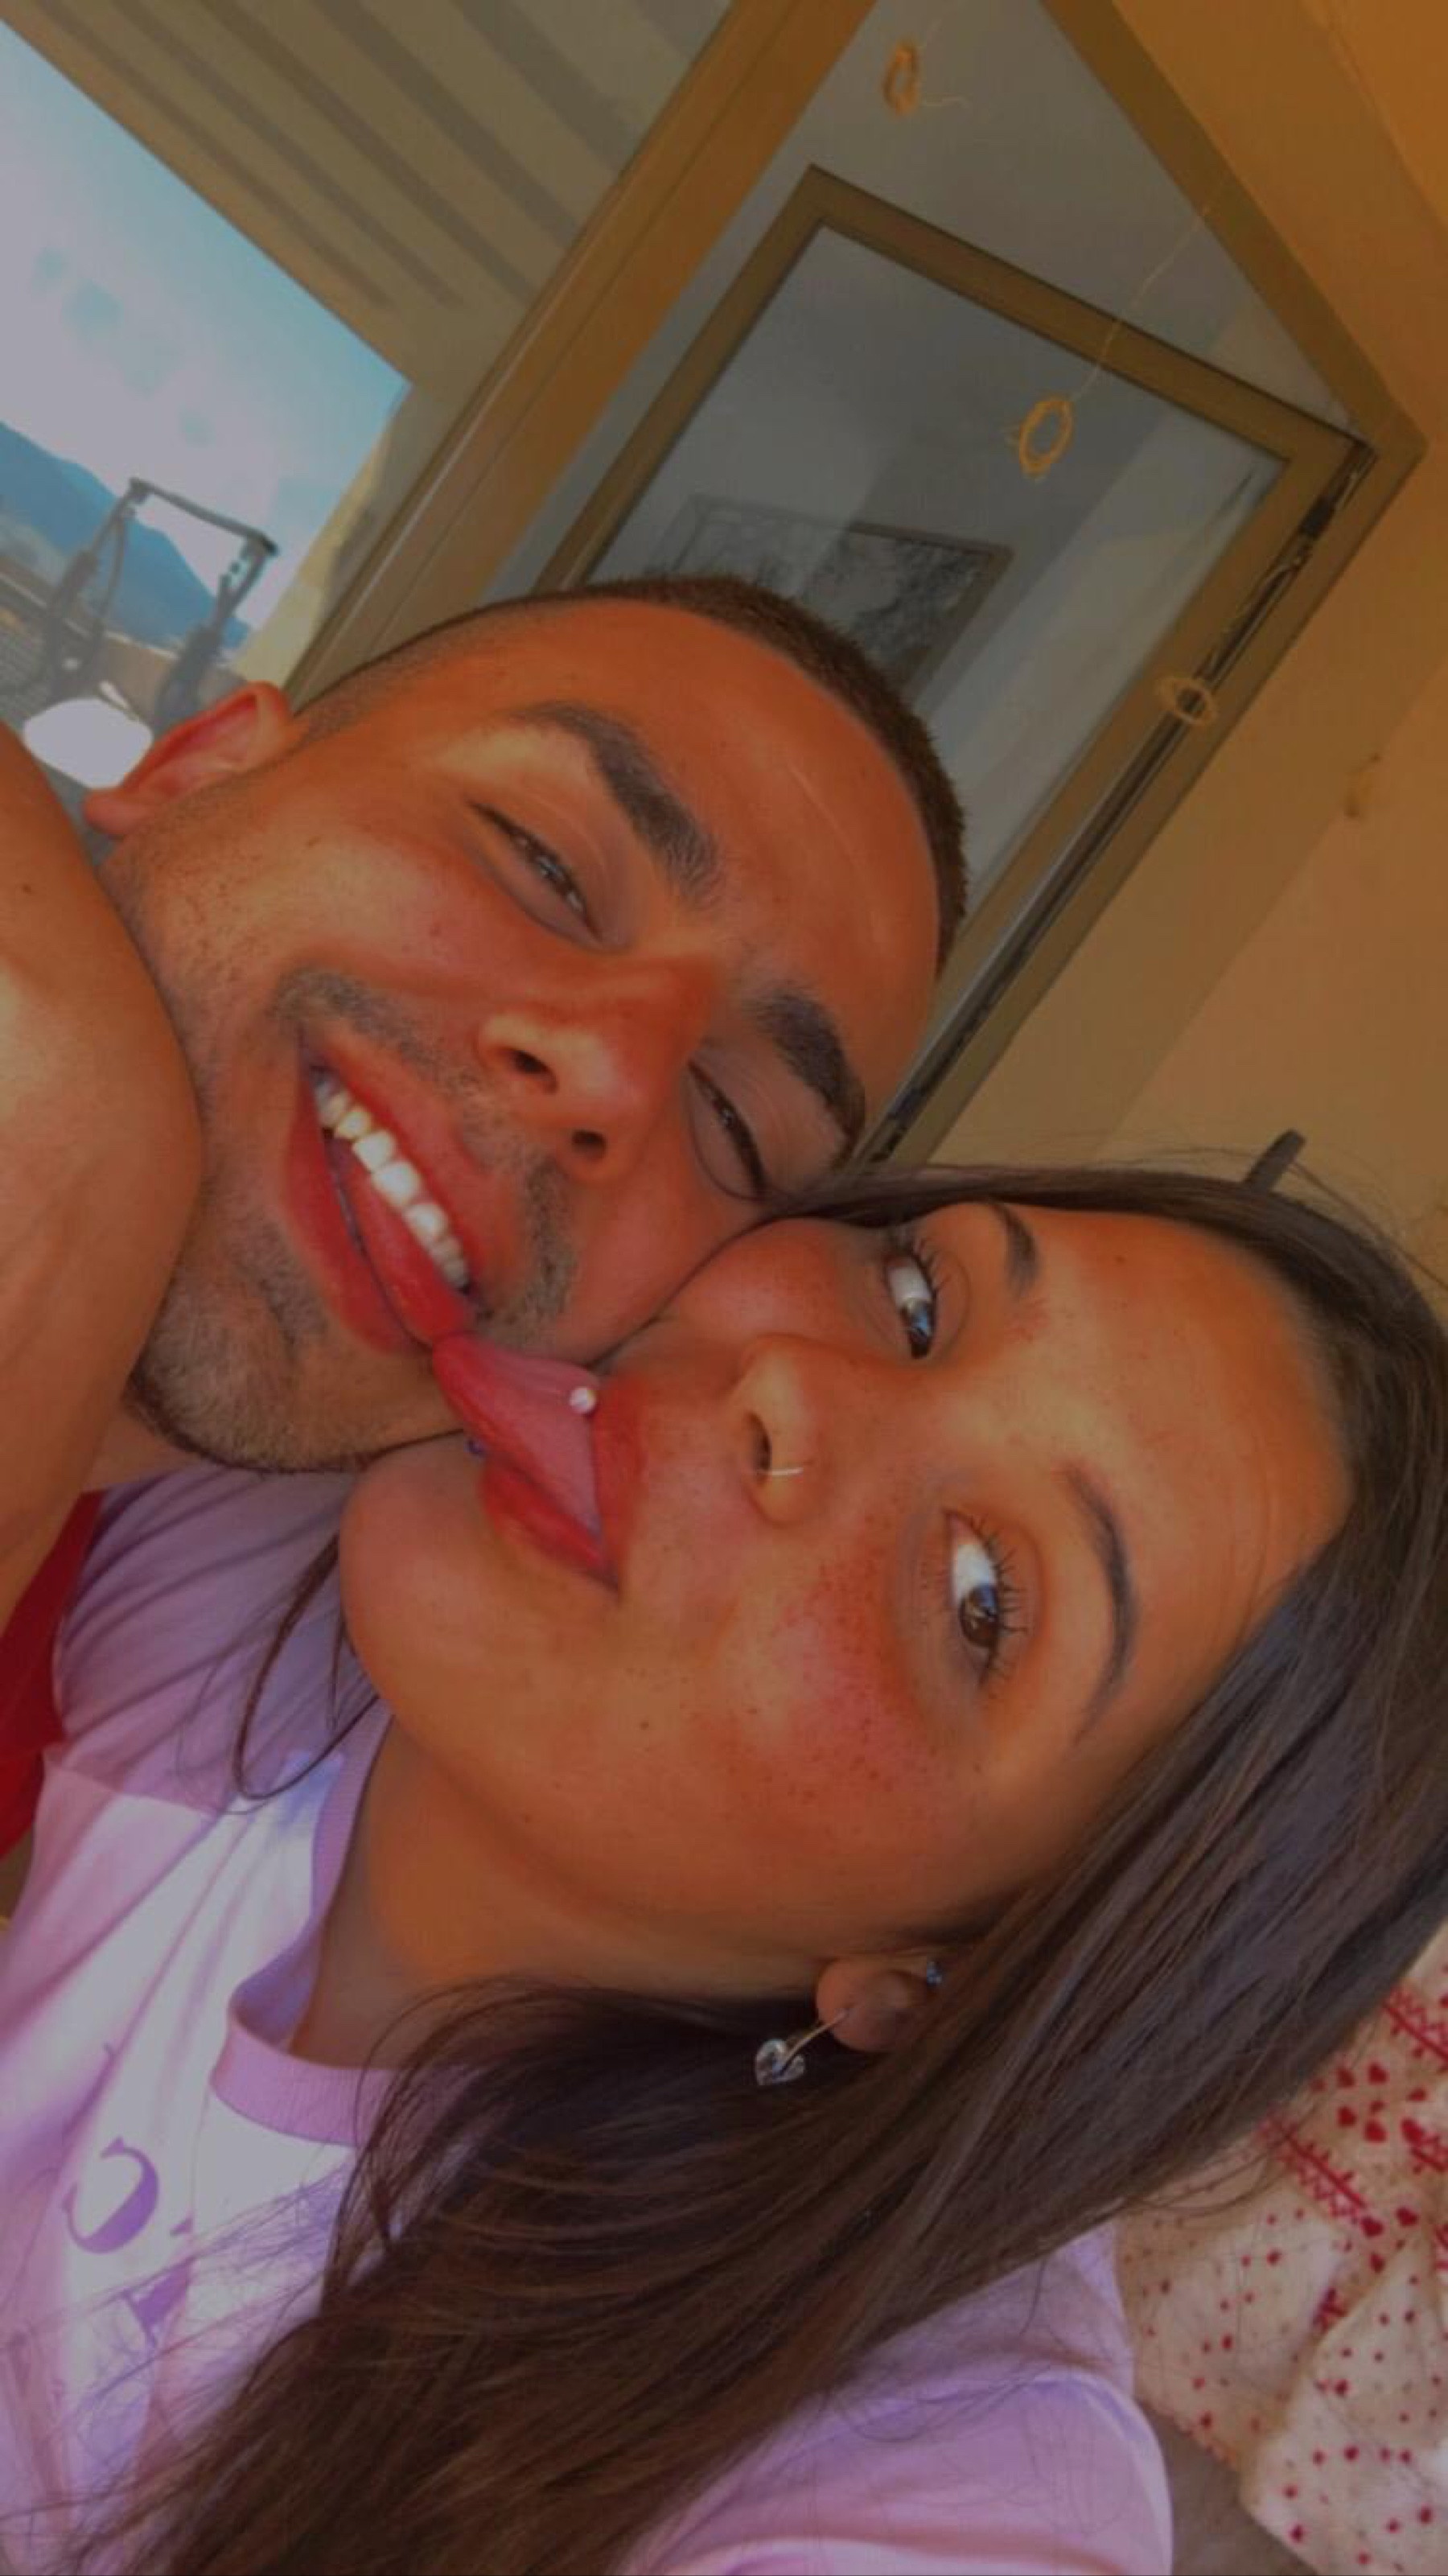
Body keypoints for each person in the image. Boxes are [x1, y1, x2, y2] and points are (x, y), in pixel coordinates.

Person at [1, 1149, 1444, 2574]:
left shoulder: (928, 2466)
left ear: (934, 1982)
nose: (794, 1382)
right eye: (919, 1298)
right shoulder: (265, 1547)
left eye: (982, 1600)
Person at [0, 572, 967, 1846]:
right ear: (197, 763)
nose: (614, 1078)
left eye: (733, 1121)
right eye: (543, 862)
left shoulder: (97, 1673)